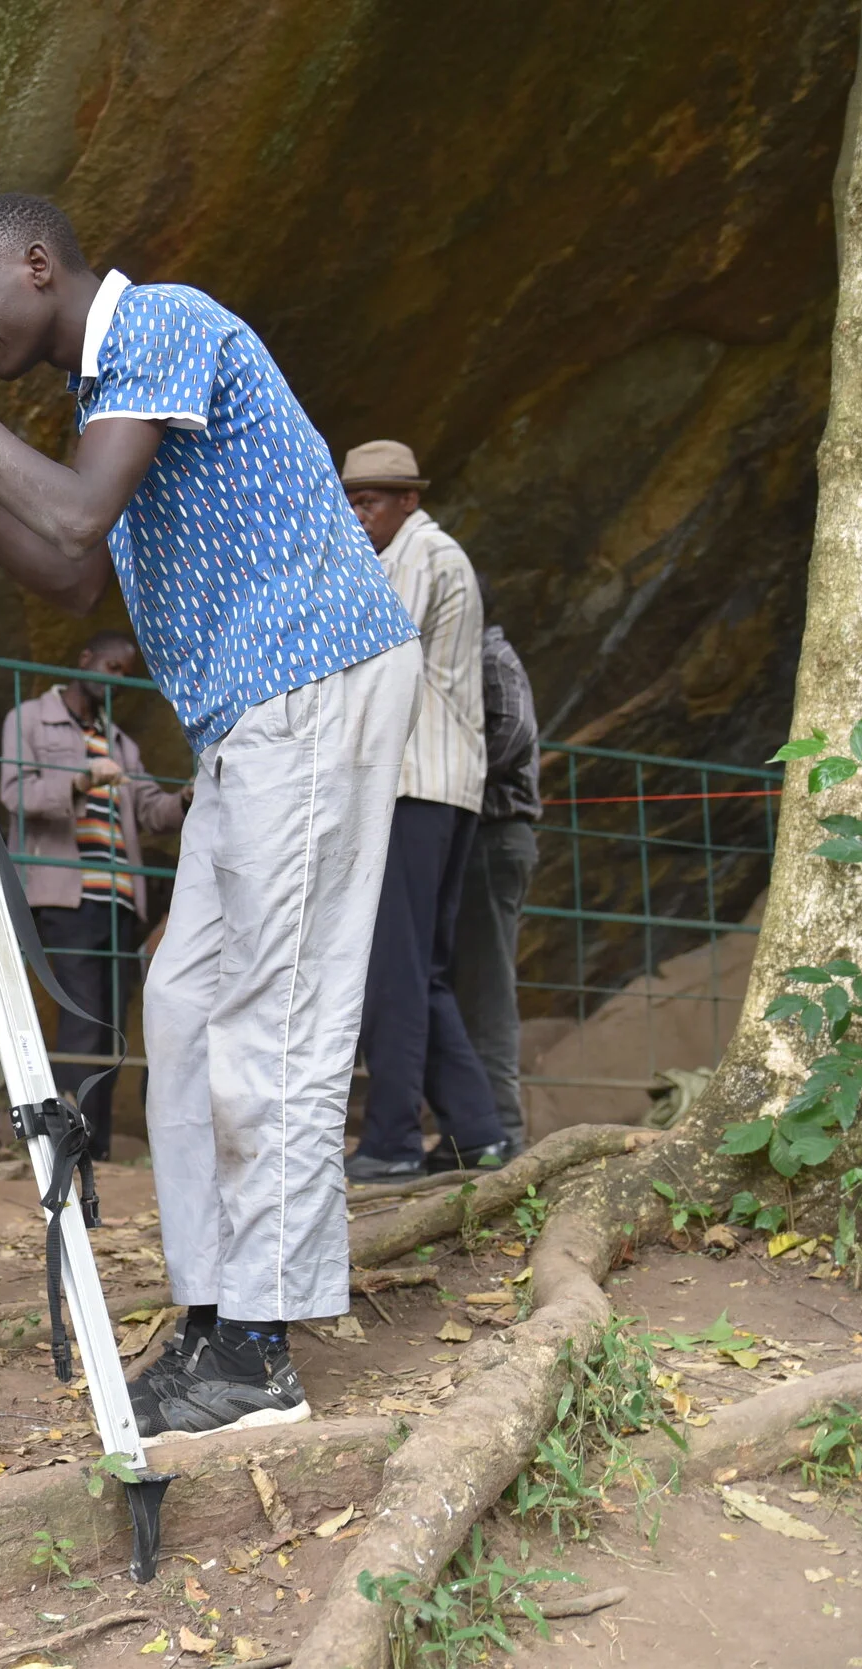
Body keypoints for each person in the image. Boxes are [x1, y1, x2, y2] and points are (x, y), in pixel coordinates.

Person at [0, 193, 419, 1439]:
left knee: (274, 1011)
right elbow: (60, 568)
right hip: (244, 718)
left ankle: (259, 1354)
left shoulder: (159, 323)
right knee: (184, 1005)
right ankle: (213, 1318)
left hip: (310, 681)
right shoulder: (101, 396)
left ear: (37, 266)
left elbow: (71, 518)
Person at [338, 441, 515, 1182]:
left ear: (409, 498)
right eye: (350, 499)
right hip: (444, 784)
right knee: (424, 970)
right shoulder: (427, 551)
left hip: (414, 781)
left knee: (392, 972)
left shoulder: (416, 555)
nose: (357, 513)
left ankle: (392, 1141)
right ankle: (482, 1135)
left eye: (370, 500)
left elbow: (373, 659)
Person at [0, 631, 188, 1159]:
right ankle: (70, 1141)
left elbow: (151, 811)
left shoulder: (122, 743)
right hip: (68, 893)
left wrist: (187, 798)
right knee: (81, 1017)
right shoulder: (32, 719)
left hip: (120, 899)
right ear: (84, 658)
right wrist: (80, 782)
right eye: (111, 666)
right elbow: (16, 794)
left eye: (126, 674)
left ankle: (95, 1146)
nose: (116, 680)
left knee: (109, 1024)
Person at [450, 602, 541, 1152]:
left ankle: (503, 1134)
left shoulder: (491, 656)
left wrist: (453, 778)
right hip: (476, 837)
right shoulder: (475, 658)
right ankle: (477, 1128)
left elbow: (513, 731)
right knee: (463, 987)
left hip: (493, 832)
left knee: (486, 990)